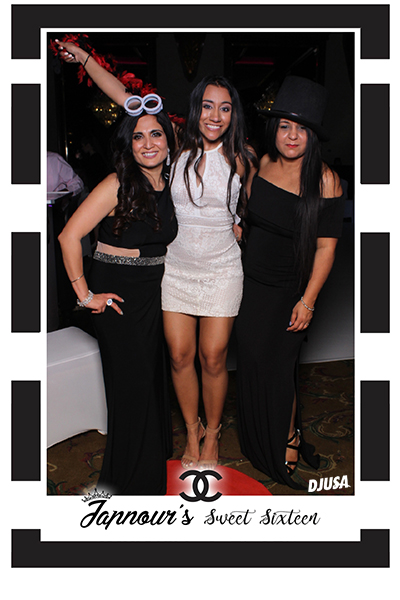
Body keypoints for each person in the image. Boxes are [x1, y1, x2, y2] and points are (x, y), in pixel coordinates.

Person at [55, 39, 257, 471]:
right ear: (195, 110)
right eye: (207, 106)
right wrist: (86, 59)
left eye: (224, 108)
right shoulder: (177, 147)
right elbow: (127, 100)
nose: (215, 116)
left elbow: (253, 206)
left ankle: (214, 432)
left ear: (233, 114)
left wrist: (240, 225)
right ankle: (192, 430)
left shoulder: (244, 158)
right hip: (175, 269)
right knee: (179, 357)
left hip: (221, 269)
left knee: (214, 356)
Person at [58, 93, 178, 495]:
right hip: (118, 296)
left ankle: (150, 463)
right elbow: (69, 236)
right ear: (128, 145)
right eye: (138, 136)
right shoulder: (117, 184)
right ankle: (132, 482)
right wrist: (85, 295)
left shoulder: (171, 183)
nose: (148, 143)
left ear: (169, 139)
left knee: (151, 381)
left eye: (156, 134)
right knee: (133, 387)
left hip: (153, 293)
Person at [235, 76, 345, 490]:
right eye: (285, 126)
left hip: (288, 291)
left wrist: (308, 301)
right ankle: (257, 436)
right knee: (251, 361)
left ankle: (288, 435)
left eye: (302, 128)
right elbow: (249, 217)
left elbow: (326, 249)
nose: (292, 135)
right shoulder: (263, 163)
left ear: (313, 135)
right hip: (249, 284)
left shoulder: (326, 180)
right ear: (274, 128)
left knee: (279, 368)